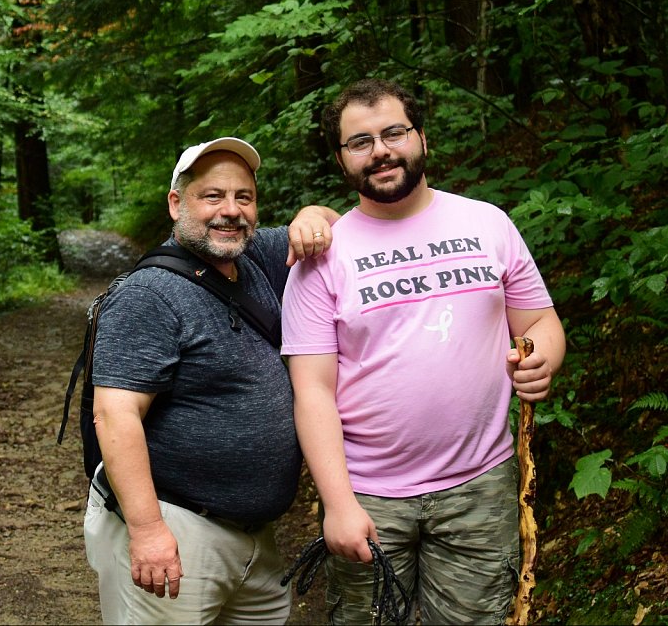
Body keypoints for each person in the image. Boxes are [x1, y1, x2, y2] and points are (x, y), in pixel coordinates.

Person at [281, 79, 566, 625]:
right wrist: (337, 504)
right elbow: (312, 390)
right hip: (368, 493)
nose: (381, 150)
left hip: (480, 485)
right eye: (359, 142)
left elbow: (539, 321)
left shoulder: (488, 224)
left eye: (393, 133)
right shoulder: (322, 257)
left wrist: (542, 359)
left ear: (422, 139)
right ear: (342, 161)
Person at [83, 136, 337, 625]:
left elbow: (332, 223)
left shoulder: (256, 258)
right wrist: (148, 530)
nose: (231, 210)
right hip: (177, 530)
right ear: (177, 203)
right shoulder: (148, 295)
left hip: (256, 541)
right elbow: (114, 415)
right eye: (212, 196)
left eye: (244, 197)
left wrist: (310, 212)